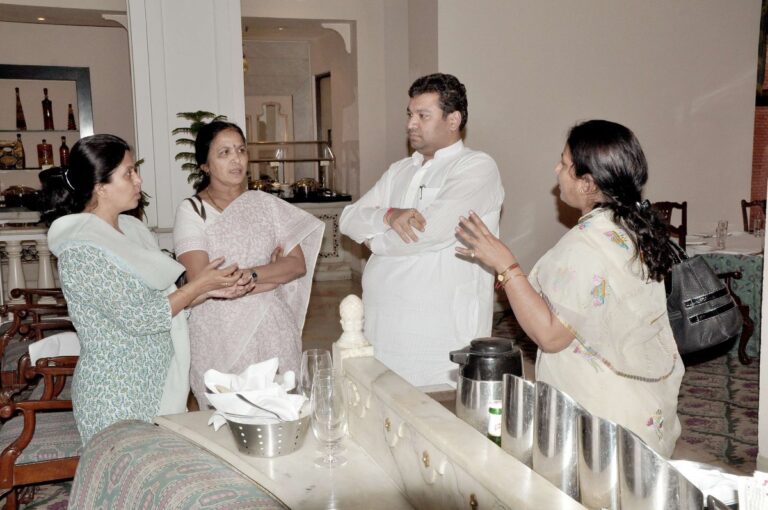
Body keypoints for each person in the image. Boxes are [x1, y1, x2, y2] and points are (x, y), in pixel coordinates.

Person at [456, 120, 683, 456]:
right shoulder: (631, 228)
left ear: (587, 183)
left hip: (603, 420)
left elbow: (550, 334)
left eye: (564, 164)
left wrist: (506, 265)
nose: (556, 169)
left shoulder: (586, 246)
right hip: (645, 406)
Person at [42, 134, 252, 444]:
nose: (139, 180)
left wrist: (206, 292)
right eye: (128, 173)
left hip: (158, 382)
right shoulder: (80, 249)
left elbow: (160, 303)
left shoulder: (133, 229)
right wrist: (195, 287)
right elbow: (141, 318)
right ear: (100, 186)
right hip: (118, 394)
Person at [339, 73, 504, 387]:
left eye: (422, 116)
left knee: (436, 419)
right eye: (410, 114)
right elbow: (348, 219)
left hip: (437, 333)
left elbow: (426, 233)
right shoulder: (400, 170)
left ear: (453, 119)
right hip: (383, 327)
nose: (411, 124)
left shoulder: (476, 167)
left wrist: (373, 241)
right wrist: (388, 216)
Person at [173, 121, 324, 407]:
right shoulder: (192, 210)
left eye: (241, 150)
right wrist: (271, 276)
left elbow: (296, 266)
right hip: (218, 332)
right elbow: (203, 281)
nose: (236, 159)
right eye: (224, 152)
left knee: (280, 409)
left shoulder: (266, 205)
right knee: (228, 414)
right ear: (204, 164)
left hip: (273, 329)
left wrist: (249, 273)